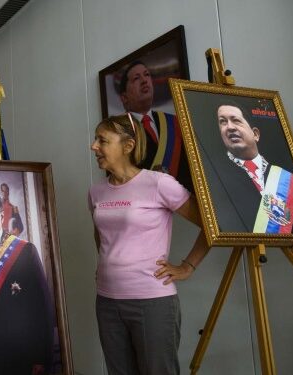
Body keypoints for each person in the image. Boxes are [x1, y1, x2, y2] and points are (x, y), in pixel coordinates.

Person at [88, 113, 209, 374]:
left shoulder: (159, 184)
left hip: (151, 301)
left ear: (128, 146)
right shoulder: (96, 192)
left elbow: (211, 226)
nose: (94, 146)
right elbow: (101, 234)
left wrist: (187, 266)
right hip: (107, 301)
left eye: (102, 140)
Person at [0, 190, 53, 375]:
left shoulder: (25, 252)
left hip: (17, 355)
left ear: (1, 215)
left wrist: (41, 357)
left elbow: (42, 308)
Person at [208, 102, 293, 233]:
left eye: (236, 120)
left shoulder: (288, 178)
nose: (229, 127)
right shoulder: (214, 175)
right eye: (223, 122)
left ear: (255, 134)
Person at [118, 60, 192, 191]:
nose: (144, 80)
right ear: (124, 97)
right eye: (136, 78)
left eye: (147, 75)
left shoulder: (174, 121)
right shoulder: (118, 132)